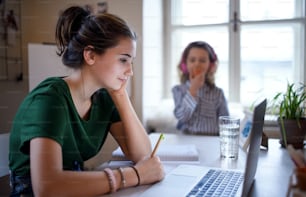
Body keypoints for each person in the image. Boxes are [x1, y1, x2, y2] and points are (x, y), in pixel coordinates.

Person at [9, 6, 164, 196]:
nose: (130, 71)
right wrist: (133, 176)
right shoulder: (49, 100)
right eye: (123, 60)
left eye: (131, 61)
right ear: (90, 55)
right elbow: (47, 188)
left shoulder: (104, 98)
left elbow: (142, 155)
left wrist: (120, 95)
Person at [172, 41, 229, 135]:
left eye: (202, 61)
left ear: (211, 66)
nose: (197, 64)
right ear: (185, 65)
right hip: (187, 140)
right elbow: (182, 117)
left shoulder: (218, 93)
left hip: (211, 140)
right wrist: (193, 90)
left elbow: (225, 123)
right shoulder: (178, 90)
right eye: (192, 60)